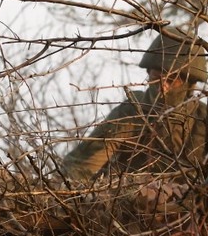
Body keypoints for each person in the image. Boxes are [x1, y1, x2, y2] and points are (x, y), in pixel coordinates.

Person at [61, 32, 208, 183]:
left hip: (186, 202)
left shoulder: (202, 118)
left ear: (189, 84)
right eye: (156, 78)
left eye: (171, 81)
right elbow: (82, 164)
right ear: (148, 73)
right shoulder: (133, 110)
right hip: (126, 199)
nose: (162, 87)